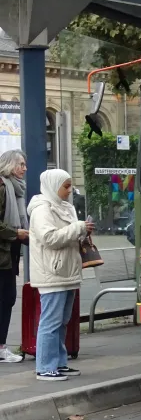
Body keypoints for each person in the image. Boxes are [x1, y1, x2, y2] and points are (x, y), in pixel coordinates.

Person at [27, 169, 94, 381]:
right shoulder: (42, 209)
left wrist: (82, 231)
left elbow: (65, 236)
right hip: (52, 272)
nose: (69, 191)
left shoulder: (65, 207)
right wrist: (78, 228)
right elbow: (49, 238)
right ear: (52, 186)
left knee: (62, 320)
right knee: (51, 321)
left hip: (66, 271)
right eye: (65, 186)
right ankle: (45, 367)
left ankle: (58, 362)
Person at [0, 150, 28, 363]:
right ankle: (1, 348)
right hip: (2, 254)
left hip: (9, 252)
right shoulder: (2, 187)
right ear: (9, 165)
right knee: (5, 299)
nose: (24, 168)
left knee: (7, 299)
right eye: (21, 164)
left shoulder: (16, 190)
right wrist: (15, 233)